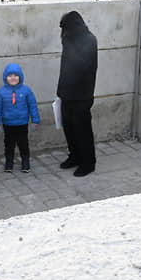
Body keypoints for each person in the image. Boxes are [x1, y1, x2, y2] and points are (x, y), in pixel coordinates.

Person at [56, 11, 98, 177]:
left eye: (64, 28)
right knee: (69, 128)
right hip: (66, 93)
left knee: (82, 130)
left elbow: (81, 66)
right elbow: (64, 66)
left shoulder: (88, 40)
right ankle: (74, 156)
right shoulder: (68, 38)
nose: (62, 32)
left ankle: (88, 163)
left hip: (82, 95)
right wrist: (60, 91)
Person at [0, 63, 40, 173]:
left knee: (23, 144)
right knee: (9, 145)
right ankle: (9, 162)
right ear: (5, 78)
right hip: (8, 124)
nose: (13, 78)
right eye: (10, 76)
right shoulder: (1, 92)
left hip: (22, 123)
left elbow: (32, 106)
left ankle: (25, 161)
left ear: (20, 77)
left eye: (15, 75)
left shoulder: (26, 91)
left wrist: (35, 120)